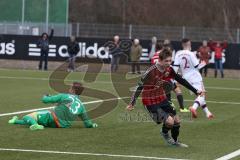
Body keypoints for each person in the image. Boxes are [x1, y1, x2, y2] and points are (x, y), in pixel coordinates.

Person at [126, 48, 202, 147]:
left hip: (162, 98)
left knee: (177, 120)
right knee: (169, 122)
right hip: (150, 101)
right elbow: (139, 86)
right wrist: (132, 103)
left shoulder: (169, 69)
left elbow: (181, 80)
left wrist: (195, 91)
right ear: (160, 60)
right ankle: (164, 132)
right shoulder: (151, 71)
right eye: (166, 61)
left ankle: (175, 142)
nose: (169, 63)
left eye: (170, 60)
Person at [8, 82, 98, 130]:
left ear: (73, 90)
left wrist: (45, 96)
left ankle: (35, 125)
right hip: (63, 125)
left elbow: (45, 100)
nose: (69, 89)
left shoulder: (65, 95)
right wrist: (92, 125)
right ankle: (15, 121)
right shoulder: (81, 105)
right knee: (39, 119)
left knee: (28, 116)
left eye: (71, 88)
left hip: (53, 118)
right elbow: (87, 123)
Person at [173, 38, 214, 119]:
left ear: (182, 45)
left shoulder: (178, 54)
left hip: (186, 78)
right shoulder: (191, 54)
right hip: (195, 76)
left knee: (200, 95)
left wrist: (174, 79)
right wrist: (204, 63)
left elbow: (175, 68)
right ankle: (194, 107)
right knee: (202, 94)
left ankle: (208, 113)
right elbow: (197, 66)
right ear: (189, 45)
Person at [151, 42, 189, 113]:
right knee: (177, 90)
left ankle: (168, 104)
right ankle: (181, 108)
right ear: (162, 48)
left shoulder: (154, 56)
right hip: (165, 76)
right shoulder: (163, 55)